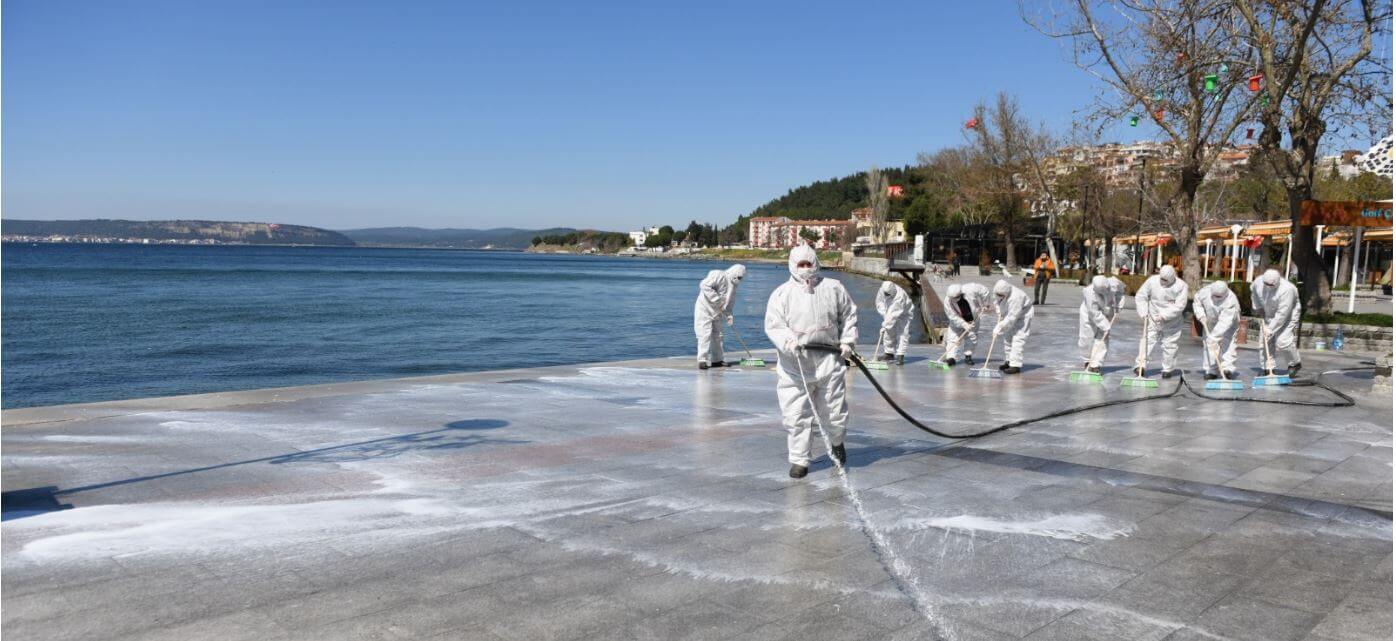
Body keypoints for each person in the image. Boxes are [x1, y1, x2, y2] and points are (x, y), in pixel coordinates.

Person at [765, 244, 858, 479]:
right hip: (794, 366)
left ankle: (836, 442)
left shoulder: (833, 288)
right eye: (801, 265)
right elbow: (774, 325)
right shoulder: (781, 294)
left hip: (829, 361)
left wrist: (848, 341)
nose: (806, 269)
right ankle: (799, 460)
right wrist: (788, 343)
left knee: (835, 411)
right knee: (796, 415)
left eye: (809, 264)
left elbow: (848, 315)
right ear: (792, 266)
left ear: (816, 263)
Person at [1134, 264, 1189, 378]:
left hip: (1172, 321)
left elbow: (1180, 305)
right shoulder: (1152, 281)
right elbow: (1141, 296)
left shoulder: (1181, 286)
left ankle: (1167, 369)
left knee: (1170, 345)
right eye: (1162, 279)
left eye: (1166, 280)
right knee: (1147, 341)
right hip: (1153, 317)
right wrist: (1143, 311)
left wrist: (1165, 315)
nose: (1163, 281)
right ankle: (1140, 366)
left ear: (1172, 277)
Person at [693, 264, 746, 370]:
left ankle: (717, 360)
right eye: (739, 277)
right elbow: (704, 285)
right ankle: (702, 360)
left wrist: (729, 315)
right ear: (734, 272)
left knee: (719, 335)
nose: (739, 280)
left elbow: (730, 302)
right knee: (704, 334)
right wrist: (717, 300)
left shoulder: (734, 285)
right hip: (705, 309)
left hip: (718, 312)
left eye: (741, 278)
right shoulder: (719, 275)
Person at [1251, 268, 1301, 377]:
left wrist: (1270, 329)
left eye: (1271, 285)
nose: (1268, 287)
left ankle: (1294, 363)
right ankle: (1268, 368)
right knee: (1264, 341)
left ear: (1278, 281)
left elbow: (1283, 313)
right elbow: (1254, 293)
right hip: (1268, 313)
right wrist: (1258, 307)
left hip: (1288, 314)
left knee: (1282, 341)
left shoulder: (1287, 289)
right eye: (1266, 284)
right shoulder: (1258, 282)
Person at [1194, 281, 1239, 379]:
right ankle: (1211, 370)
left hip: (1229, 321)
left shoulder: (1231, 300)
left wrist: (1214, 337)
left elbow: (1224, 322)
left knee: (1228, 342)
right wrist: (1200, 315)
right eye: (1215, 296)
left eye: (1219, 297)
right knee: (1208, 343)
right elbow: (1197, 303)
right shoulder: (1204, 292)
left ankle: (1227, 368)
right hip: (1210, 319)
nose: (1216, 299)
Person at [941, 282, 990, 365]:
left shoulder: (971, 288)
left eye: (956, 297)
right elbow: (952, 316)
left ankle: (968, 356)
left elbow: (985, 291)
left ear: (961, 293)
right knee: (952, 338)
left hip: (973, 317)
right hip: (957, 320)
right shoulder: (947, 301)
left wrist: (986, 303)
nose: (954, 299)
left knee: (972, 336)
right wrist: (964, 324)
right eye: (952, 298)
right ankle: (951, 358)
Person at [991, 280, 1034, 375]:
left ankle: (1015, 365)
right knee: (1007, 337)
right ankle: (1009, 361)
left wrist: (1000, 326)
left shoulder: (1016, 297)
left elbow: (1012, 317)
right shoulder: (999, 292)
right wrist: (999, 313)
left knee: (1018, 339)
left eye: (1001, 295)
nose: (998, 295)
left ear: (1006, 292)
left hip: (1023, 315)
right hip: (1009, 314)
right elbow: (997, 302)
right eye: (998, 294)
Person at [1078, 276, 1115, 373]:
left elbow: (1120, 294)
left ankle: (1096, 365)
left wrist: (1119, 304)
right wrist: (1105, 325)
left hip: (1107, 310)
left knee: (1103, 337)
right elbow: (1094, 313)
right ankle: (1087, 361)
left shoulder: (1114, 284)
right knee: (1086, 337)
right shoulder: (1088, 292)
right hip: (1089, 314)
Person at [875, 281, 913, 365]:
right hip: (889, 312)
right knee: (888, 332)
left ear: (892, 291)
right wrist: (885, 313)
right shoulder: (883, 290)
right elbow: (879, 302)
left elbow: (895, 313)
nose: (886, 296)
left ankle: (900, 355)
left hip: (904, 314)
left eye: (888, 294)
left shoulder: (900, 296)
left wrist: (885, 325)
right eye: (885, 294)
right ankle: (889, 353)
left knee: (902, 333)